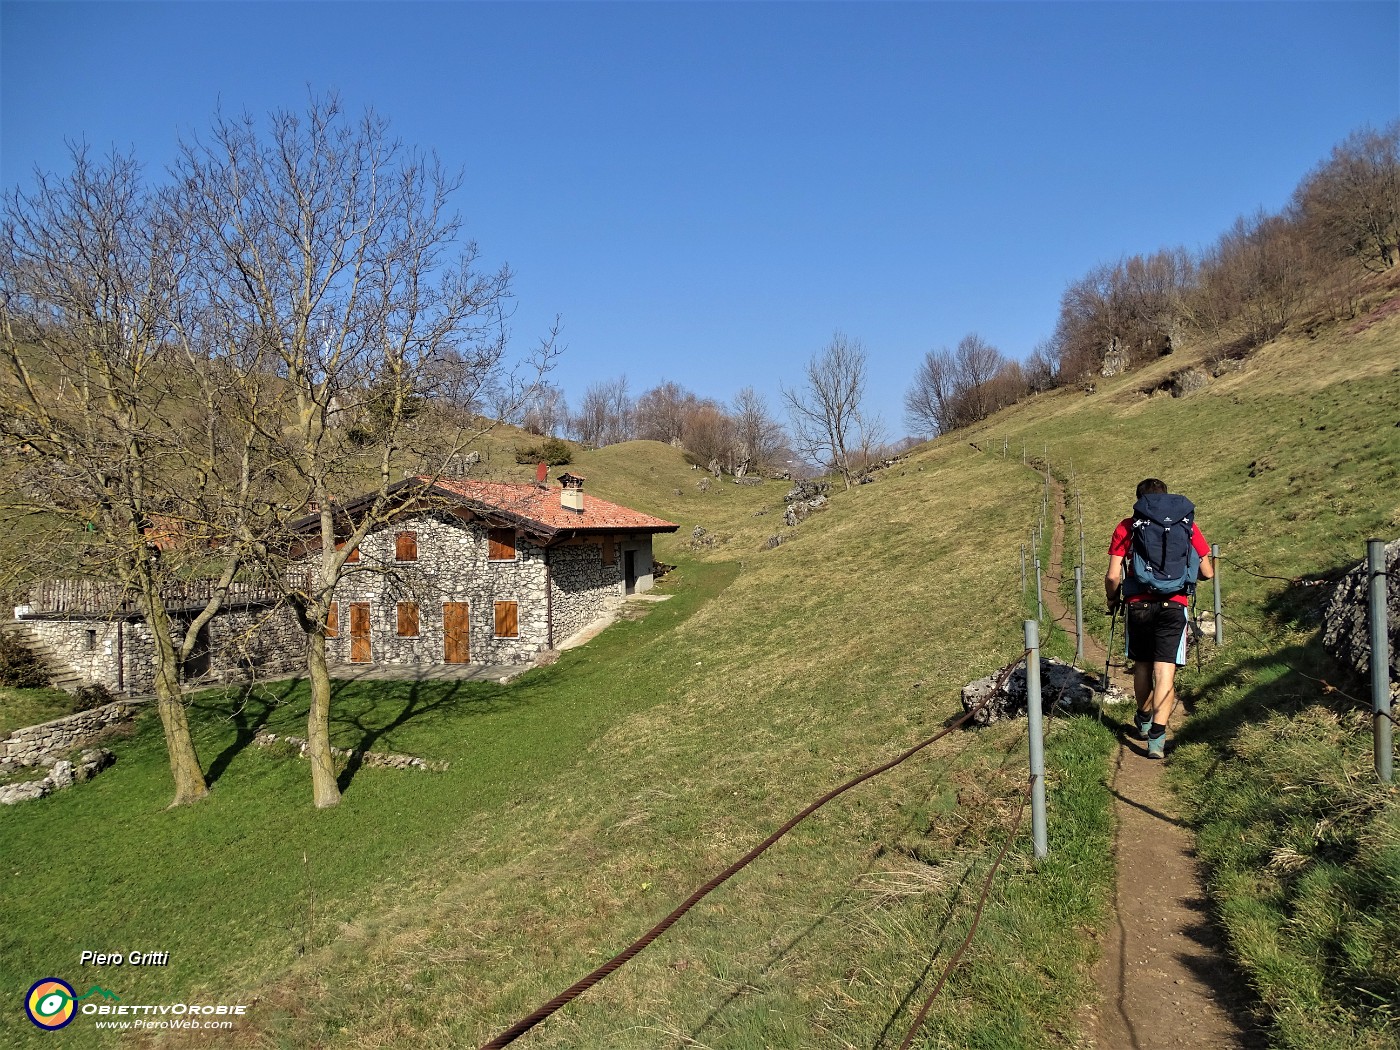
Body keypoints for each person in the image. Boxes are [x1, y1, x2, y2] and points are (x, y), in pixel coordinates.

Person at [1104, 478, 1214, 759]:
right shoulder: (1185, 523)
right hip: (1174, 605)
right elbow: (1208, 571)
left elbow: (1113, 576)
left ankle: (1143, 717)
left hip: (1138, 605)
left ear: (1139, 500)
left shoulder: (1127, 526)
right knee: (1165, 671)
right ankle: (1157, 738)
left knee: (1142, 666)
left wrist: (1112, 599)